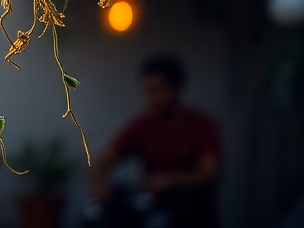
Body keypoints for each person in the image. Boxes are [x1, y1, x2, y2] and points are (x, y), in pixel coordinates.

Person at [90, 54, 222, 228]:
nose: (151, 99)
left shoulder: (201, 125)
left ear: (178, 90)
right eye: (148, 91)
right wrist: (100, 184)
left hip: (194, 216)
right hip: (153, 214)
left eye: (158, 91)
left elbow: (210, 174)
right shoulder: (143, 126)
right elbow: (102, 161)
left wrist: (171, 181)